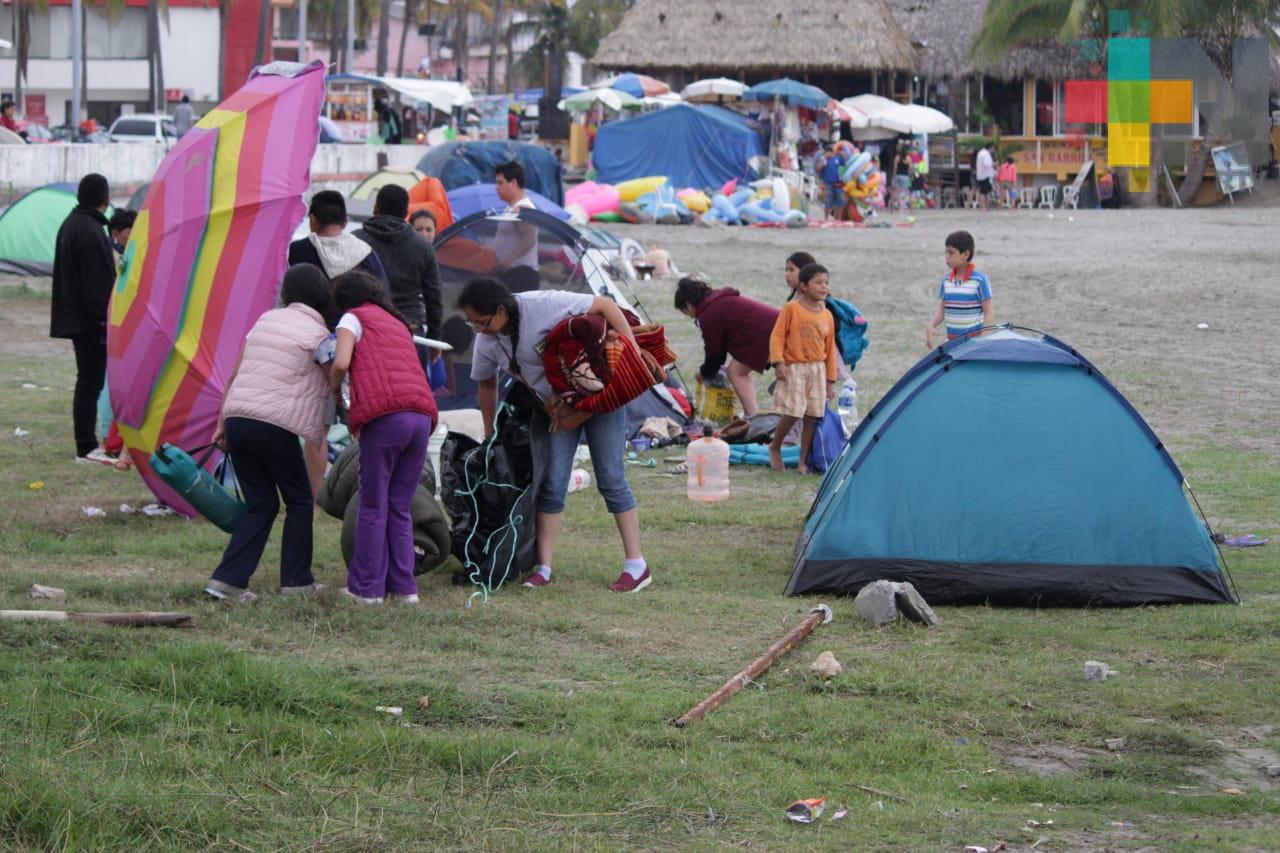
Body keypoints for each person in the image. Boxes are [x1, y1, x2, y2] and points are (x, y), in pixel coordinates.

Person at [458, 277, 652, 593]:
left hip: (602, 397)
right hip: (558, 412)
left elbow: (604, 305)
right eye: (473, 324)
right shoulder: (488, 341)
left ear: (501, 310)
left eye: (482, 322)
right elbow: (486, 384)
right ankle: (543, 568)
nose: (479, 330)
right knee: (551, 482)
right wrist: (489, 430)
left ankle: (637, 565)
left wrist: (631, 353)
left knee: (611, 479)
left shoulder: (541, 304)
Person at [204, 265, 337, 603]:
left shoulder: (264, 321)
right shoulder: (319, 333)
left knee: (261, 503)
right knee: (300, 500)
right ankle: (297, 582)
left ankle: (227, 581)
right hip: (273, 424)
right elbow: (334, 377)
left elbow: (235, 372)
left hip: (237, 418)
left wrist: (222, 423)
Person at [329, 271, 438, 604]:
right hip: (421, 416)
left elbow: (342, 361)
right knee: (399, 506)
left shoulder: (353, 318)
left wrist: (335, 389)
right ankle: (404, 589)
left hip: (385, 417)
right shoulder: (396, 322)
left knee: (372, 504)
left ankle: (366, 589)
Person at [50, 174, 117, 465]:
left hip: (76, 318)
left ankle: (86, 444)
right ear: (106, 199)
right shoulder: (90, 231)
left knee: (87, 381)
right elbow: (98, 286)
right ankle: (86, 447)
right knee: (90, 383)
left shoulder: (71, 224)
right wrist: (107, 324)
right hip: (92, 322)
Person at [354, 184, 443, 369]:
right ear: (406, 213)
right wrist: (435, 338)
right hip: (411, 331)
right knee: (414, 391)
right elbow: (434, 298)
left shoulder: (355, 241)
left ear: (376, 208)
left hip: (367, 329)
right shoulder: (423, 247)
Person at [768, 263, 838, 474]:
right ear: (804, 286)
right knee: (793, 412)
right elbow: (777, 335)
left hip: (817, 370)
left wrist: (830, 380)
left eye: (826, 282)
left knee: (813, 416)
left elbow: (830, 349)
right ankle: (775, 446)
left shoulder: (827, 315)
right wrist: (778, 362)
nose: (824, 286)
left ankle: (802, 461)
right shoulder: (792, 309)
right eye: (818, 282)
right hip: (794, 368)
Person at [673, 278, 778, 418]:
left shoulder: (708, 313)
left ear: (688, 305)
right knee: (736, 370)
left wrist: (704, 372)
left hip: (769, 332)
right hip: (774, 325)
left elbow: (715, 353)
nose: (689, 316)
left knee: (736, 372)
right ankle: (752, 414)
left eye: (685, 312)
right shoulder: (717, 301)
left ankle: (752, 416)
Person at [289, 190, 388, 283]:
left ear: (312, 219)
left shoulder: (298, 251)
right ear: (345, 222)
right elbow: (382, 292)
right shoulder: (364, 252)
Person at [926, 230, 994, 349]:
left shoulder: (980, 280)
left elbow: (989, 313)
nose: (946, 257)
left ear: (965, 254)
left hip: (973, 344)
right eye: (945, 252)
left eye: (951, 253)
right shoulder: (946, 281)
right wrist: (932, 325)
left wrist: (983, 339)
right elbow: (942, 310)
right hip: (951, 343)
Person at [492, 160, 541, 292]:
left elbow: (529, 239)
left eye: (500, 183)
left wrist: (508, 260)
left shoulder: (523, 208)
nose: (496, 188)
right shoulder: (512, 207)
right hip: (511, 273)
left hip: (521, 274)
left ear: (513, 183)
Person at [819, 146, 846, 220]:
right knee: (828, 202)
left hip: (838, 183)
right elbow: (819, 168)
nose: (828, 154)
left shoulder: (837, 158)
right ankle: (826, 218)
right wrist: (824, 158)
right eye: (826, 153)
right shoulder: (824, 160)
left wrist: (841, 153)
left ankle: (838, 219)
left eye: (829, 152)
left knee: (840, 202)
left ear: (832, 152)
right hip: (828, 184)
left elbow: (845, 162)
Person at [974, 143, 996, 211]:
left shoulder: (981, 153)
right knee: (983, 192)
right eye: (993, 148)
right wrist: (994, 164)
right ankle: (983, 207)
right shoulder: (985, 154)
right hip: (985, 176)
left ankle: (982, 207)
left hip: (981, 175)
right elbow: (987, 164)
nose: (993, 150)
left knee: (983, 191)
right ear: (990, 147)